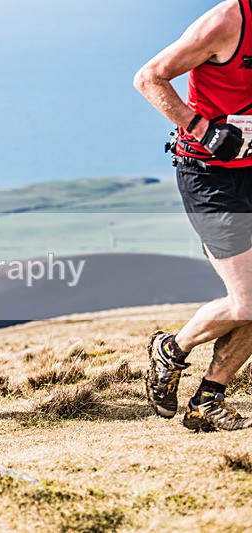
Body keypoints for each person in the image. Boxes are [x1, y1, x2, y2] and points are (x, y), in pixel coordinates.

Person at [134, 0, 252, 431]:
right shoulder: (228, 21)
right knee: (249, 300)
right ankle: (172, 349)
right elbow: (148, 77)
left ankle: (208, 399)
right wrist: (202, 128)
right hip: (210, 176)